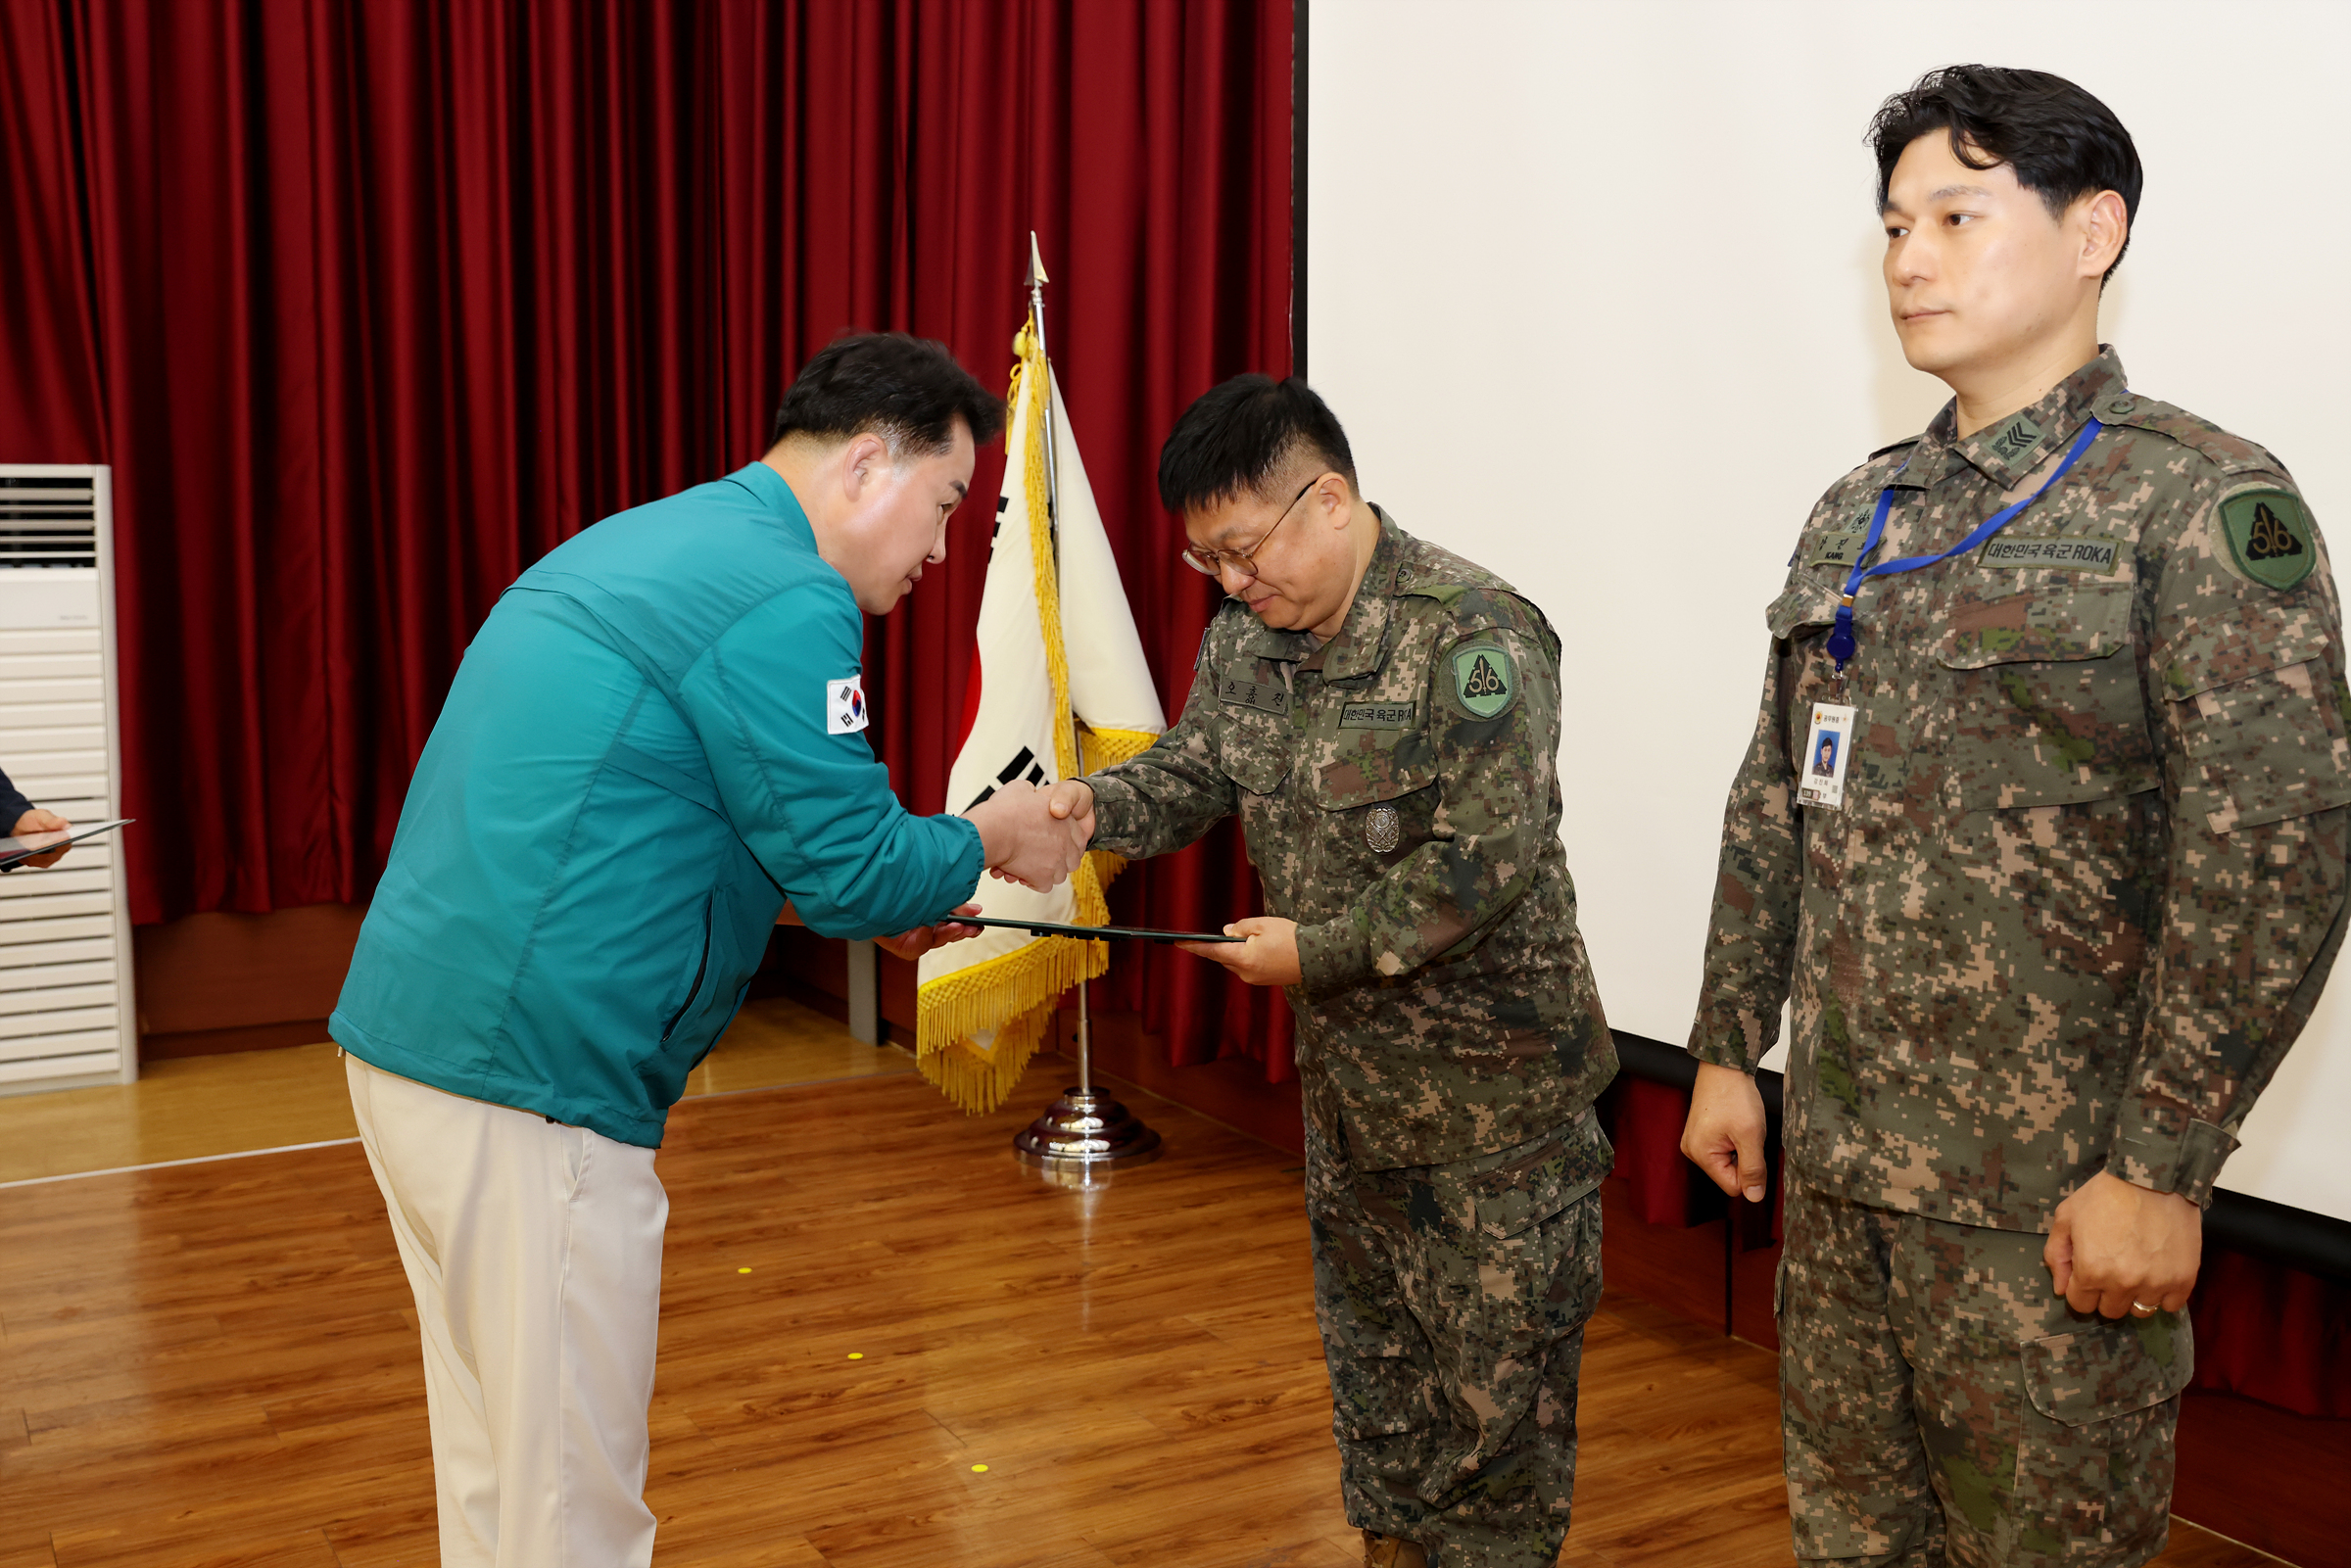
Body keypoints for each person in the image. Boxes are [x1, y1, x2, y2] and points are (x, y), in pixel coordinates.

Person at [1679, 66, 2349, 1568]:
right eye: (1895, 223)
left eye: (1958, 215)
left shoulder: (2202, 504)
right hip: (1847, 1181)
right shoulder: (1860, 513)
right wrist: (1729, 1046)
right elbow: (1778, 794)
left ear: (2093, 229)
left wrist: (2164, 1167)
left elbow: (2277, 852)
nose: (1909, 256)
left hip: (2051, 1210)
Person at [329, 333, 1093, 1568]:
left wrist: (863, 892)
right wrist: (987, 838)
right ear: (864, 466)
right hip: (535, 1082)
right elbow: (847, 858)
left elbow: (679, 821)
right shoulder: (785, 591)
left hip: (424, 1051)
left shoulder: (668, 539)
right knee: (572, 1509)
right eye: (944, 506)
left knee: (499, 1474)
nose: (944, 552)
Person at [1042, 376, 1616, 1568]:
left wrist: (1324, 949)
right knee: (1381, 1394)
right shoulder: (1246, 644)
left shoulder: (1473, 636)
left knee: (1495, 1431)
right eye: (1211, 565)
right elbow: (1196, 773)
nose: (1237, 586)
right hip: (1354, 1104)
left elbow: (1483, 862)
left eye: (1246, 552)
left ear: (1333, 500)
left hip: (1494, 1116)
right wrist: (1086, 809)